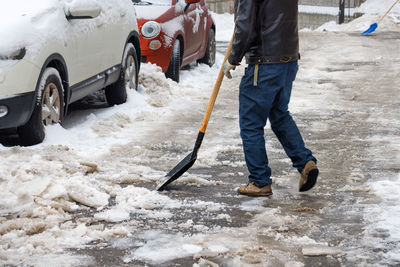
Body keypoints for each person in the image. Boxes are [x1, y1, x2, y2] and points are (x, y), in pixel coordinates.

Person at [223, 0, 318, 196]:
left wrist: (234, 58)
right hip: (288, 60)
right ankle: (305, 162)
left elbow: (245, 26)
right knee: (279, 114)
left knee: (251, 123)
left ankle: (259, 181)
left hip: (264, 63)